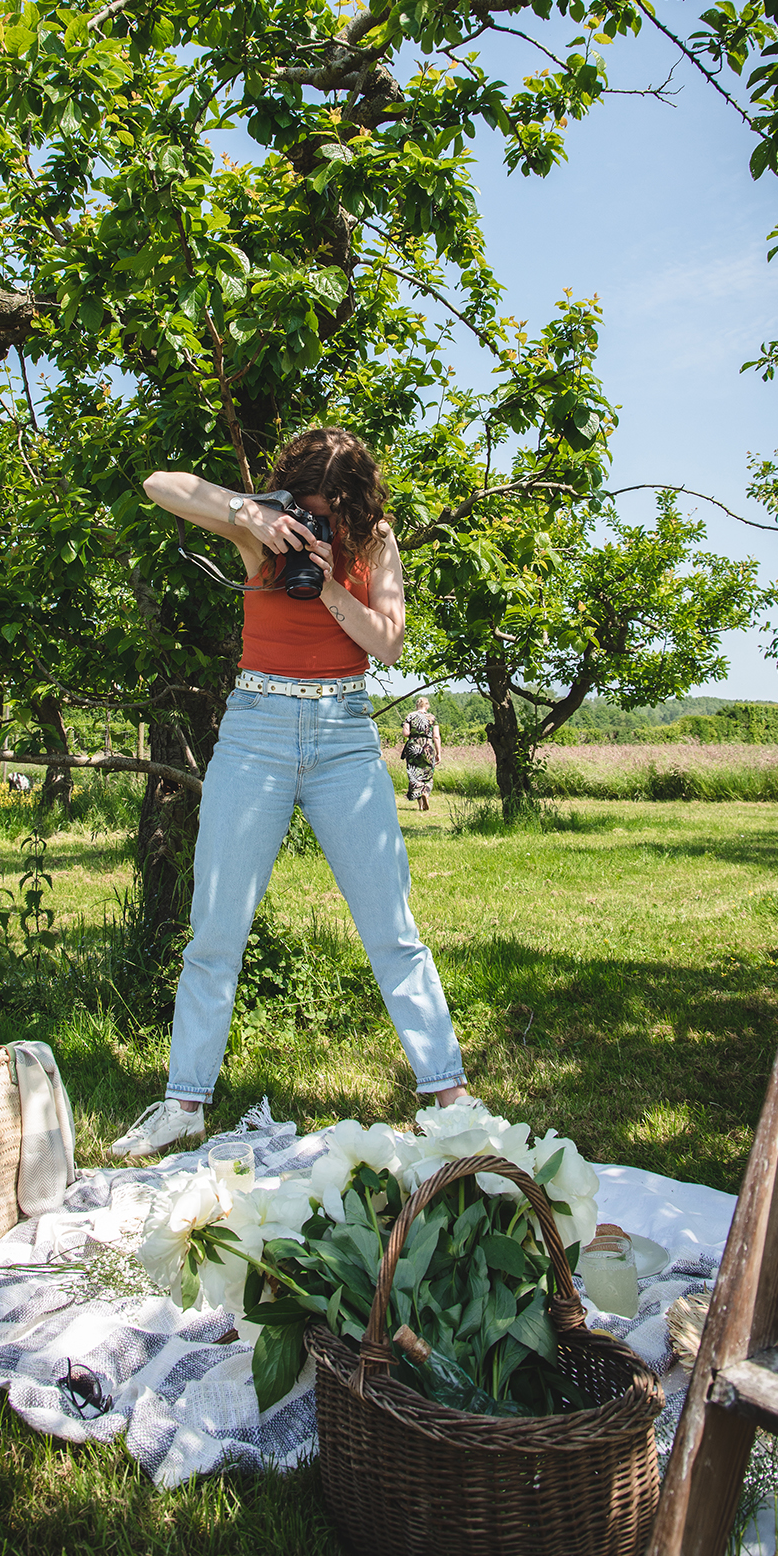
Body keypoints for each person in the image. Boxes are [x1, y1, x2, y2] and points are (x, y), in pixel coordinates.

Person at [112, 426, 470, 1157]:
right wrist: (254, 517)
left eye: (336, 512)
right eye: (312, 508)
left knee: (392, 928)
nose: (324, 523)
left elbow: (389, 642)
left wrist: (331, 576)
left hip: (344, 735)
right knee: (215, 929)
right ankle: (184, 1103)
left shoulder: (374, 542)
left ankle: (449, 1095)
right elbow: (159, 484)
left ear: (359, 503)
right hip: (256, 734)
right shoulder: (263, 523)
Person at [401, 696, 441, 812]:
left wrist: (405, 727)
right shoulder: (432, 718)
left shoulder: (410, 716)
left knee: (415, 775)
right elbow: (436, 736)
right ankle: (426, 794)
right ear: (427, 706)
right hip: (427, 746)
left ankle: (420, 805)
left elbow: (405, 733)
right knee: (428, 775)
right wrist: (438, 753)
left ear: (416, 705)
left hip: (413, 747)